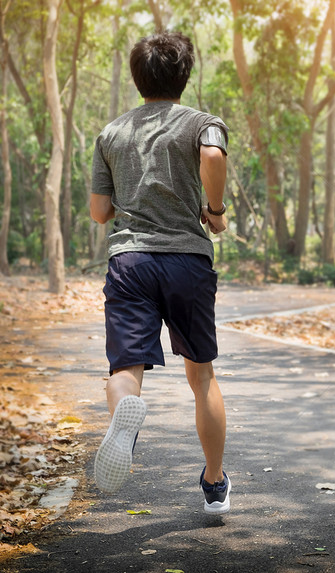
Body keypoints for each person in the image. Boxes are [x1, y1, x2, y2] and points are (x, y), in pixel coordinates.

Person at [89, 30, 231, 515]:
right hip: (187, 260)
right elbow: (212, 155)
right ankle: (214, 484)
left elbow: (99, 211)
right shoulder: (202, 124)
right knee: (202, 375)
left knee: (125, 367)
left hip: (129, 260)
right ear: (184, 77)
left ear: (137, 78)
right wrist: (214, 209)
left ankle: (123, 424)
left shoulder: (111, 133)